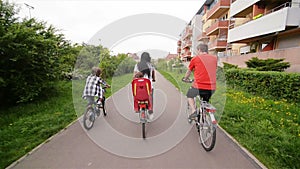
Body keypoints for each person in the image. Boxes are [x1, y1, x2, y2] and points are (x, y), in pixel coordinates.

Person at [182, 43, 217, 120]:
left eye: (197, 50)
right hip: (212, 88)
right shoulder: (214, 58)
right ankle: (204, 117)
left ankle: (194, 110)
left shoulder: (195, 59)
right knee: (205, 102)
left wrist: (185, 78)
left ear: (199, 50)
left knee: (189, 95)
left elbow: (189, 71)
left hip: (199, 86)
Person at [133, 52, 156, 119]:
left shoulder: (137, 65)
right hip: (149, 86)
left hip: (139, 86)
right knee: (150, 98)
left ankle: (137, 107)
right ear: (148, 58)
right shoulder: (151, 65)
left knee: (136, 95)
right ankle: (150, 111)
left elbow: (134, 76)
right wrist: (153, 79)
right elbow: (153, 75)